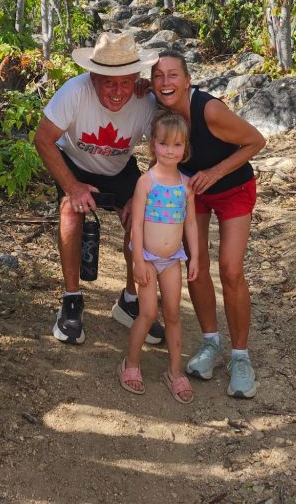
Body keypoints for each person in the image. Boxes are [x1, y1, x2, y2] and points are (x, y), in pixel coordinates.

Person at [34, 31, 164, 346]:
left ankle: (130, 300)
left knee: (141, 220)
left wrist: (141, 195)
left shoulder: (145, 101)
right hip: (76, 164)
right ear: (93, 77)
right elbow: (43, 139)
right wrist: (72, 187)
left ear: (136, 78)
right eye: (109, 82)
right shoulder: (74, 92)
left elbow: (164, 151)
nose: (117, 92)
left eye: (125, 82)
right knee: (70, 211)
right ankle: (71, 300)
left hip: (120, 168)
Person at [150, 50, 265, 398]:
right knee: (195, 264)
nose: (165, 82)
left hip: (233, 188)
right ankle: (211, 342)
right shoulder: (160, 108)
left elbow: (256, 141)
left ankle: (240, 357)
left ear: (188, 80)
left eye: (173, 75)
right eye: (158, 76)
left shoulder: (209, 110)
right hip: (193, 191)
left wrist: (215, 173)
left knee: (231, 269)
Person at [118, 111, 199, 403]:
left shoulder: (186, 186)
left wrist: (195, 258)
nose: (170, 150)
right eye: (164, 144)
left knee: (174, 314)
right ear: (153, 145)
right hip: (149, 259)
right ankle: (130, 364)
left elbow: (191, 224)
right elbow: (137, 224)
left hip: (172, 259)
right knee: (149, 312)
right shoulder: (146, 182)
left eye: (177, 144)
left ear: (185, 148)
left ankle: (175, 372)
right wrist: (139, 261)